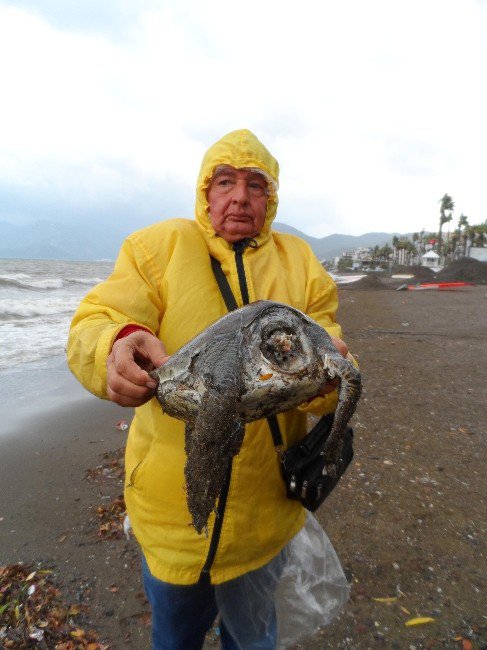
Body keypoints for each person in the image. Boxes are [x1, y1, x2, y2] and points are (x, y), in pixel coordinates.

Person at [67, 129, 350, 649]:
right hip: (170, 515)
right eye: (225, 182)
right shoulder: (159, 248)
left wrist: (325, 376)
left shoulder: (301, 263)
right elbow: (96, 318)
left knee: (253, 638)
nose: (240, 196)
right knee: (174, 637)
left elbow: (329, 354)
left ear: (272, 197)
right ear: (205, 193)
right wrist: (114, 346)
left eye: (255, 185)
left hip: (265, 517)